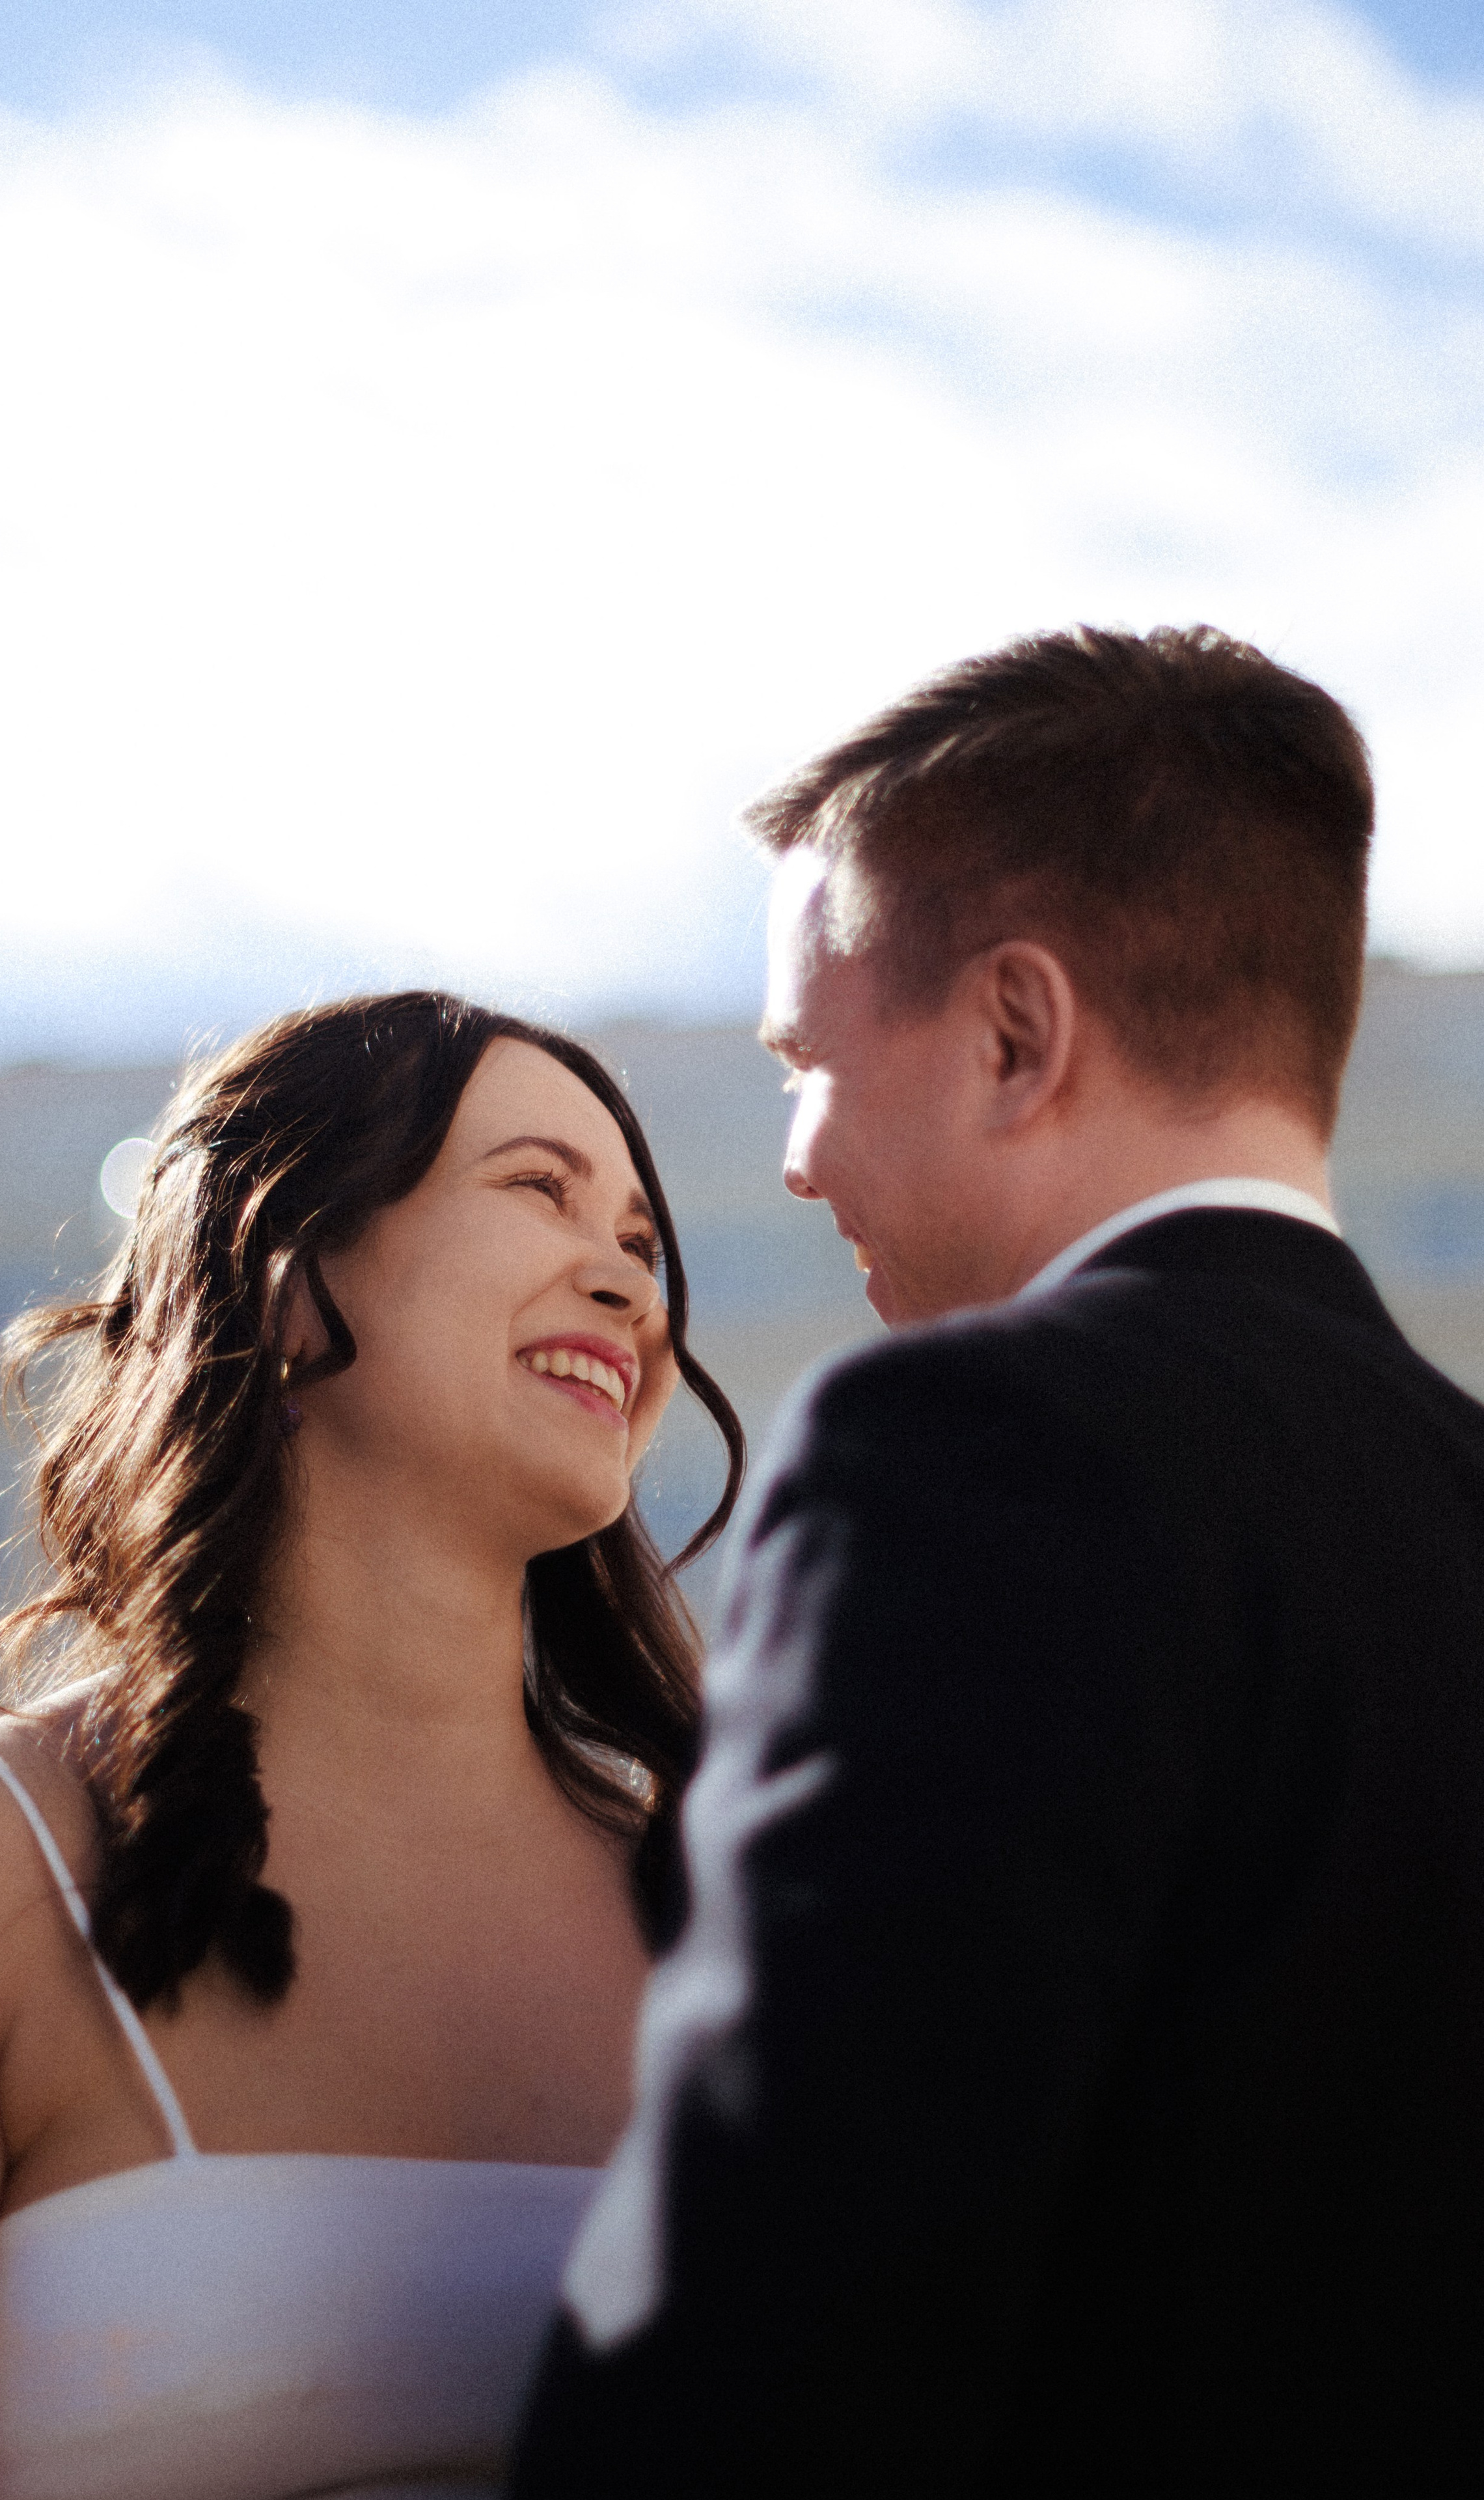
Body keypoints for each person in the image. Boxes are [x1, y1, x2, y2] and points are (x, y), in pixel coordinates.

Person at [511, 624, 1484, 2495]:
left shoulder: (970, 1455)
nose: (795, 1158)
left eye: (807, 1059)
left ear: (1017, 1035)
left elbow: (786, 2299)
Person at [0, 991, 742, 2500]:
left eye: (644, 1244)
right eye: (536, 1188)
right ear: (288, 1272)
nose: (628, 1287)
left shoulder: (723, 1910)